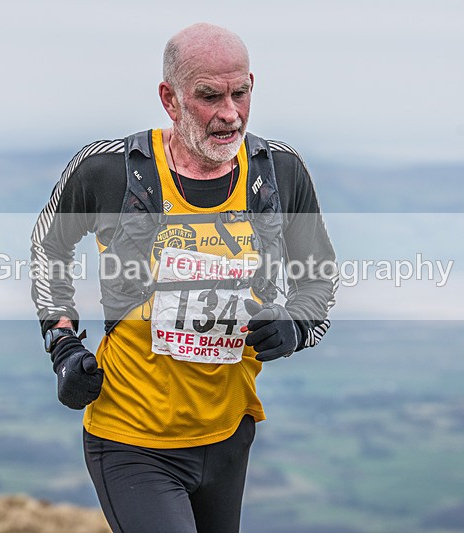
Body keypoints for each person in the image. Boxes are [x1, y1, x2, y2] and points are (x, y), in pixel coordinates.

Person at [30, 23, 337, 533]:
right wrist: (61, 342)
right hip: (131, 437)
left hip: (228, 435)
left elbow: (319, 276)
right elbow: (48, 245)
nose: (230, 114)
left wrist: (296, 326)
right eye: (209, 97)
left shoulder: (279, 172)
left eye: (240, 93)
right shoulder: (111, 170)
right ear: (169, 99)